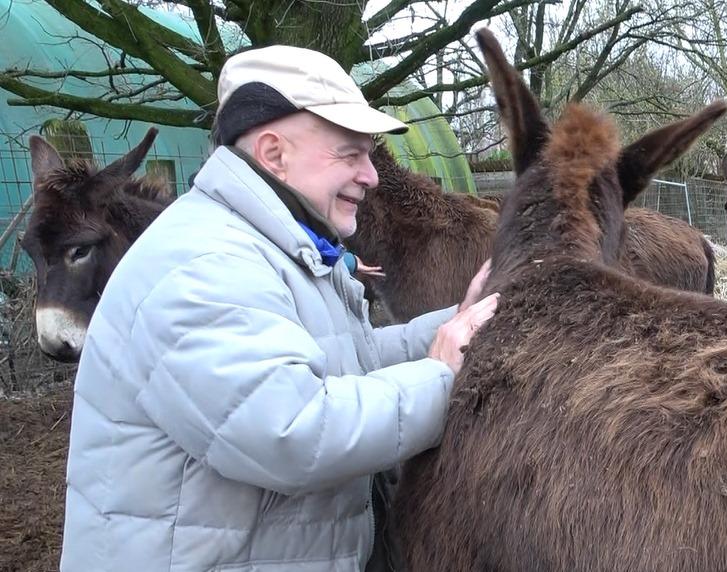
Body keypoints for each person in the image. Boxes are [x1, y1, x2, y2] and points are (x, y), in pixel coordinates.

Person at [60, 44, 499, 572]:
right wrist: (440, 375)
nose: (372, 175)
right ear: (273, 154)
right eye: (350, 153)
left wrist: (457, 322)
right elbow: (294, 430)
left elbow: (339, 362)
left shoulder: (270, 246)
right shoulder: (202, 264)